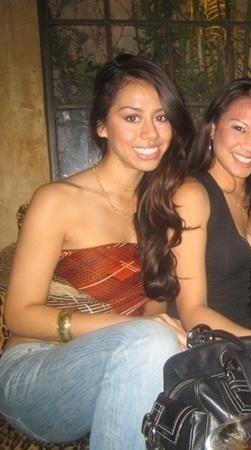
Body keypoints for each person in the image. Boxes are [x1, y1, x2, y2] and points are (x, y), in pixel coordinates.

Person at [0, 54, 192, 449]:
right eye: (132, 117)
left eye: (161, 117)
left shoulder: (162, 210)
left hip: (125, 360)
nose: (151, 133)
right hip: (34, 373)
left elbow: (151, 313)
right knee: (151, 342)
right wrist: (123, 327)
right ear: (102, 125)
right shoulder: (57, 200)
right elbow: (18, 315)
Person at [168, 78, 251, 336]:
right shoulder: (192, 195)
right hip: (212, 346)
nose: (250, 145)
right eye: (239, 128)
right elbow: (192, 312)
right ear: (213, 129)